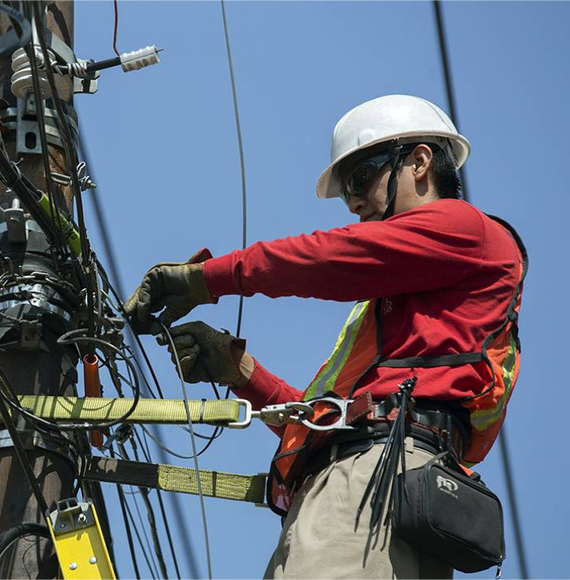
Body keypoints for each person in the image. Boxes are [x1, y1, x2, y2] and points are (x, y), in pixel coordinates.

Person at [124, 94, 526, 578]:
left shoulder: (468, 230)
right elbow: (330, 418)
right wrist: (240, 374)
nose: (353, 203)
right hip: (379, 482)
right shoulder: (403, 318)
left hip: (372, 480)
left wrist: (209, 277)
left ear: (419, 162)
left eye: (361, 178)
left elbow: (329, 259)